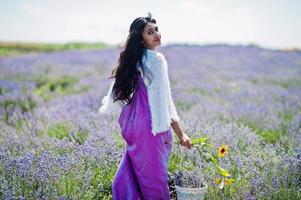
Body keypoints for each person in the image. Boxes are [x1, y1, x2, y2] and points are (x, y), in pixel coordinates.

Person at [99, 13, 192, 200]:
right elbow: (164, 101)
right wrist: (180, 133)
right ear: (141, 40)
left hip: (135, 125)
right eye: (150, 32)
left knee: (136, 170)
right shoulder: (156, 60)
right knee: (154, 181)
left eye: (156, 30)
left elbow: (117, 92)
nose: (157, 34)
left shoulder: (135, 59)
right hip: (151, 126)